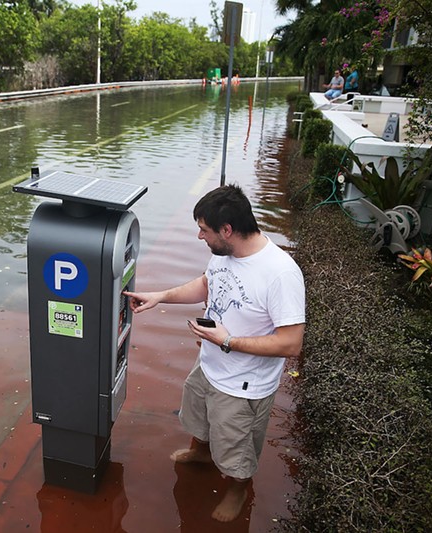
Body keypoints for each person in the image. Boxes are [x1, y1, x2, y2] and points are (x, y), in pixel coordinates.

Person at [123, 185, 306, 523]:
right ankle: (202, 454)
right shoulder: (224, 253)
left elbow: (291, 343)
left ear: (227, 230)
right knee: (200, 419)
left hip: (242, 386)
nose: (199, 236)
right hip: (209, 365)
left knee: (236, 448)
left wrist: (228, 340)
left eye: (204, 229)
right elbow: (208, 284)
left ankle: (238, 487)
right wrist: (160, 296)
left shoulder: (280, 273)